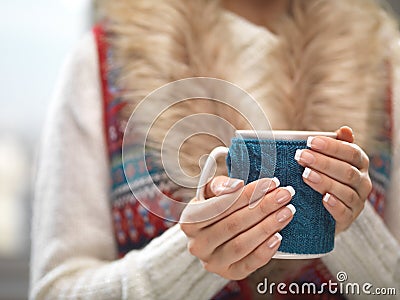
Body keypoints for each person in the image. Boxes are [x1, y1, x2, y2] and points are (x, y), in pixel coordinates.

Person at [30, 0, 400, 299]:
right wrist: (192, 253)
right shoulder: (102, 59)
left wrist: (343, 218)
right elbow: (54, 291)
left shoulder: (386, 65)